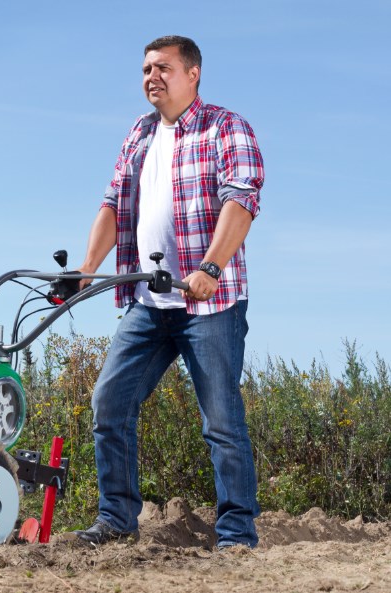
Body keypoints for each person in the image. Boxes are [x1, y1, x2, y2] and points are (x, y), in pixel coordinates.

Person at [72, 35, 265, 549]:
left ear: (192, 73)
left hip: (210, 304)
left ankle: (236, 534)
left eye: (163, 68)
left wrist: (210, 267)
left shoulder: (225, 127)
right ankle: (116, 520)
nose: (151, 77)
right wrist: (87, 268)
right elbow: (113, 204)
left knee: (220, 420)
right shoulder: (139, 133)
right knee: (109, 404)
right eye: (145, 70)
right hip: (149, 302)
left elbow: (242, 201)